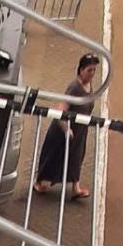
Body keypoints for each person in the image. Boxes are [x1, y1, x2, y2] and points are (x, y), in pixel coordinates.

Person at [33, 53, 100, 200]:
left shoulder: (88, 85)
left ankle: (76, 188)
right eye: (89, 70)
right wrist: (66, 129)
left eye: (94, 70)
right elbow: (60, 110)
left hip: (80, 129)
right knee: (54, 156)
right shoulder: (74, 88)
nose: (92, 73)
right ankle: (40, 182)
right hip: (64, 130)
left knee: (76, 157)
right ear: (81, 70)